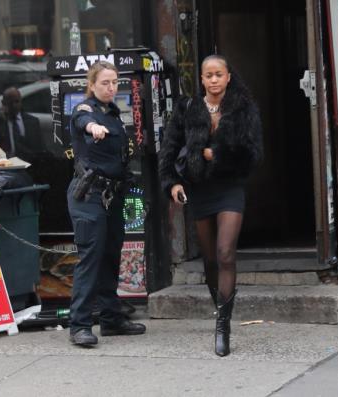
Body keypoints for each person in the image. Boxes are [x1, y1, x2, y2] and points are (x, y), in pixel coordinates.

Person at [159, 55, 263, 357]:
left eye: (219, 74)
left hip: (229, 188)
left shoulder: (243, 109)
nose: (214, 80)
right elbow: (168, 150)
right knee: (210, 261)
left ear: (228, 77)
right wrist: (173, 184)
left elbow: (253, 155)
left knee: (225, 252)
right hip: (199, 190)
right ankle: (220, 307)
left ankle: (223, 326)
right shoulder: (187, 109)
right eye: (209, 75)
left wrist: (214, 155)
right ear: (202, 79)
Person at [67, 61, 145, 346]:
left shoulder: (114, 114)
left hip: (113, 197)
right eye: (105, 83)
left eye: (114, 82)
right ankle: (80, 325)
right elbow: (81, 121)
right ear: (92, 85)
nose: (111, 88)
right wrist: (93, 128)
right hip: (88, 196)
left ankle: (111, 319)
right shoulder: (85, 110)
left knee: (112, 256)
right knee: (91, 258)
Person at [0, 87, 43, 160]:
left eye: (17, 101)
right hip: (3, 164)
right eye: (10, 102)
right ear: (3, 103)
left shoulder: (32, 122)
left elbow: (40, 149)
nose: (14, 105)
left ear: (21, 102)